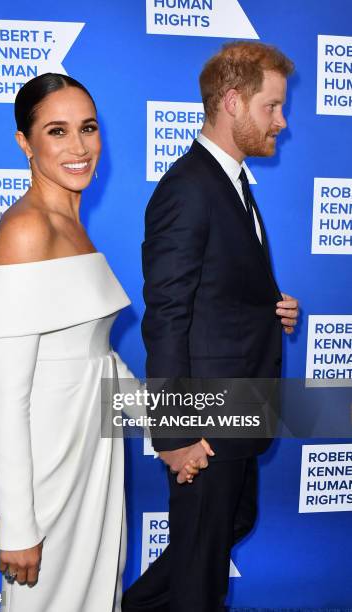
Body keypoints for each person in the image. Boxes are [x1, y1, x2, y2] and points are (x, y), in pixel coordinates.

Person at [122, 41, 299, 612]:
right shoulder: (188, 189)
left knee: (220, 532)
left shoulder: (231, 183)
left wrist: (269, 305)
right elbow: (166, 316)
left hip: (237, 407)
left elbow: (215, 289)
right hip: (204, 419)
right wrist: (174, 435)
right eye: (271, 106)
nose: (282, 120)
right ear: (232, 101)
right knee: (200, 574)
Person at [0, 73, 139, 612]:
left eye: (87, 129)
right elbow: (5, 396)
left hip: (92, 451)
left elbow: (97, 362)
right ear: (25, 143)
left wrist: (175, 425)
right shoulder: (25, 231)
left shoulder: (72, 224)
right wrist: (17, 526)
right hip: (49, 467)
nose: (79, 147)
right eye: (57, 131)